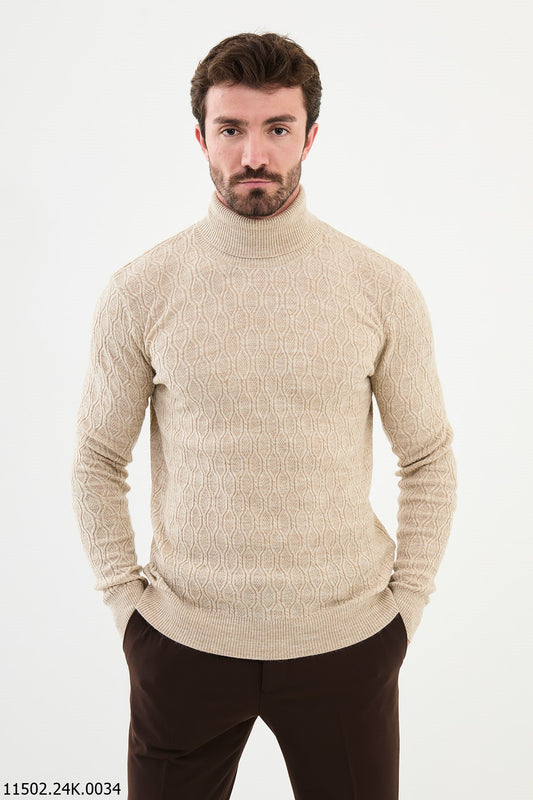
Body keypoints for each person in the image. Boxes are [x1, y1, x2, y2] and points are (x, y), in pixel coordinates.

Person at [71, 32, 457, 800]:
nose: (254, 154)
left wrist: (404, 609)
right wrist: (126, 608)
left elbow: (427, 458)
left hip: (346, 643)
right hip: (181, 643)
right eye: (231, 129)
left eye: (278, 128)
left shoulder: (380, 288)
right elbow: (96, 459)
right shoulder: (141, 290)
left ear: (309, 136)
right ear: (200, 138)